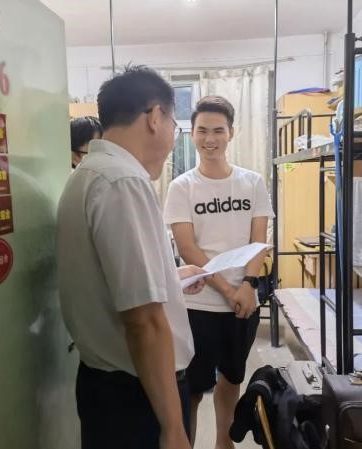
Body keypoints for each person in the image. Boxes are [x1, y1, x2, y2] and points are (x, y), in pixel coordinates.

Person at [57, 66, 206, 449]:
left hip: (105, 386)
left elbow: (109, 282)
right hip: (137, 396)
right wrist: (172, 427)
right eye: (174, 123)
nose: (173, 134)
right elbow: (144, 321)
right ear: (155, 117)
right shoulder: (123, 182)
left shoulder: (88, 174)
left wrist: (173, 278)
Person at [163, 95, 274, 449]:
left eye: (218, 131)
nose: (210, 139)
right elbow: (187, 248)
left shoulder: (252, 182)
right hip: (199, 305)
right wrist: (228, 290)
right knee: (193, 388)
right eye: (202, 131)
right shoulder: (182, 186)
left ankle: (223, 444)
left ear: (231, 133)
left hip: (244, 300)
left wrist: (249, 285)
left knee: (232, 379)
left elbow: (259, 240)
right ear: (191, 133)